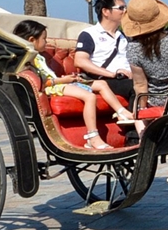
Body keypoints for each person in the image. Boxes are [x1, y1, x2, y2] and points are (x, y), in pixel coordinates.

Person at [13, 19, 137, 149]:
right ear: (32, 40)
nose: (46, 42)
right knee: (89, 97)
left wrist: (68, 79)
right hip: (53, 87)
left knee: (101, 84)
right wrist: (64, 80)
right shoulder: (29, 60)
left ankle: (122, 111)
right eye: (44, 39)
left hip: (59, 84)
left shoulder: (39, 57)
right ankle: (92, 136)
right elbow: (43, 82)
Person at [74, 0, 134, 101]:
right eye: (121, 8)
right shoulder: (89, 34)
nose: (125, 11)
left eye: (126, 8)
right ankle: (130, 117)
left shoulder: (125, 36)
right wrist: (112, 74)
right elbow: (80, 61)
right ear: (106, 11)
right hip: (104, 79)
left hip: (128, 78)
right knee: (135, 88)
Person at [123, 0, 168, 110]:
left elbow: (140, 85)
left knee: (138, 119)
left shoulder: (133, 48)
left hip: (154, 102)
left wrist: (142, 110)